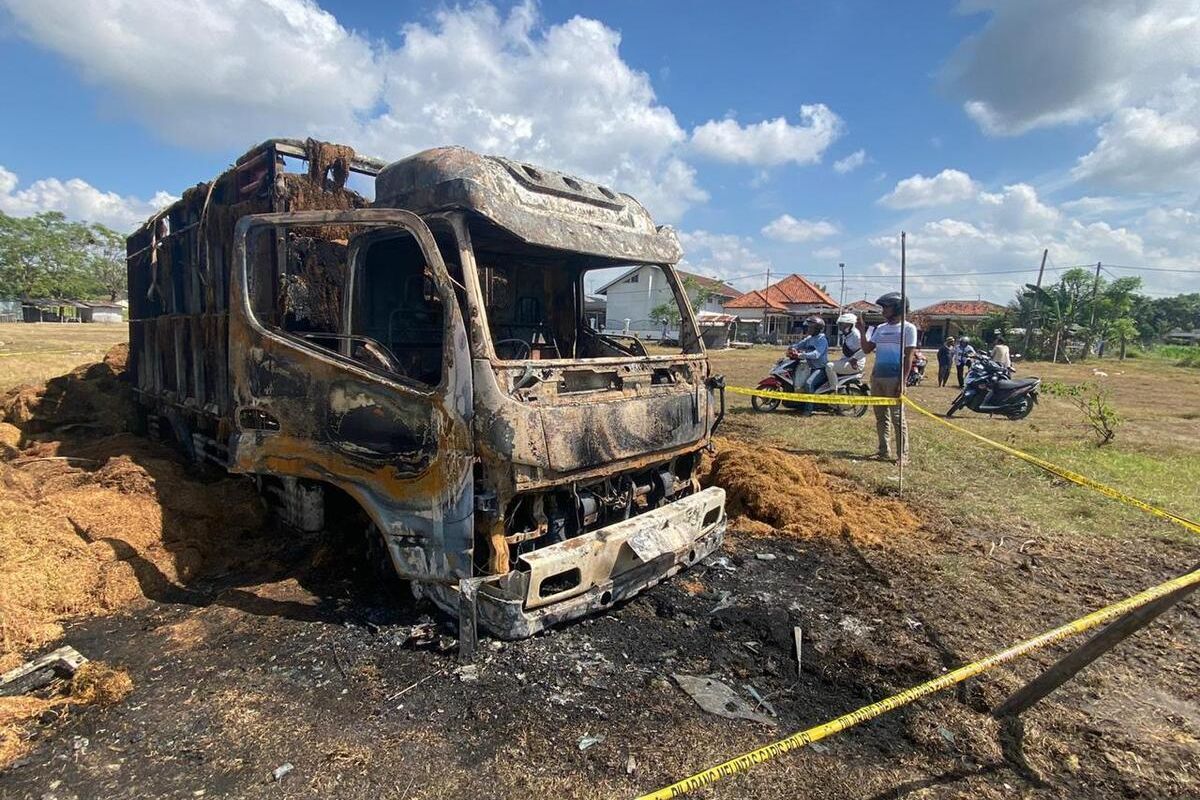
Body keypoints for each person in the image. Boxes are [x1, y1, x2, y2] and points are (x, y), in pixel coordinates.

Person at [862, 293, 917, 462]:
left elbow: (909, 356)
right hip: (878, 376)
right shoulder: (881, 328)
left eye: (886, 306)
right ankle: (883, 450)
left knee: (898, 419)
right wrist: (861, 330)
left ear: (898, 308)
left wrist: (903, 381)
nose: (883, 310)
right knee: (881, 417)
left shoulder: (908, 328)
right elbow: (866, 349)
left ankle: (903, 456)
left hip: (895, 378)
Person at [792, 316, 829, 416]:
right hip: (810, 367)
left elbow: (816, 354)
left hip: (820, 369)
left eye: (810, 328)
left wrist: (800, 355)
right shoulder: (809, 338)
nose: (808, 329)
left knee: (808, 384)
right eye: (808, 327)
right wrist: (792, 348)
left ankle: (808, 410)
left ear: (817, 329)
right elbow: (798, 345)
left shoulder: (822, 340)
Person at [825, 311, 864, 393]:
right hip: (848, 361)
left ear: (850, 325)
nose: (840, 327)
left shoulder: (856, 335)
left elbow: (864, 349)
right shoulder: (848, 335)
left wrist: (854, 359)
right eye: (840, 324)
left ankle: (833, 389)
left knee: (829, 366)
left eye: (843, 324)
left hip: (855, 365)